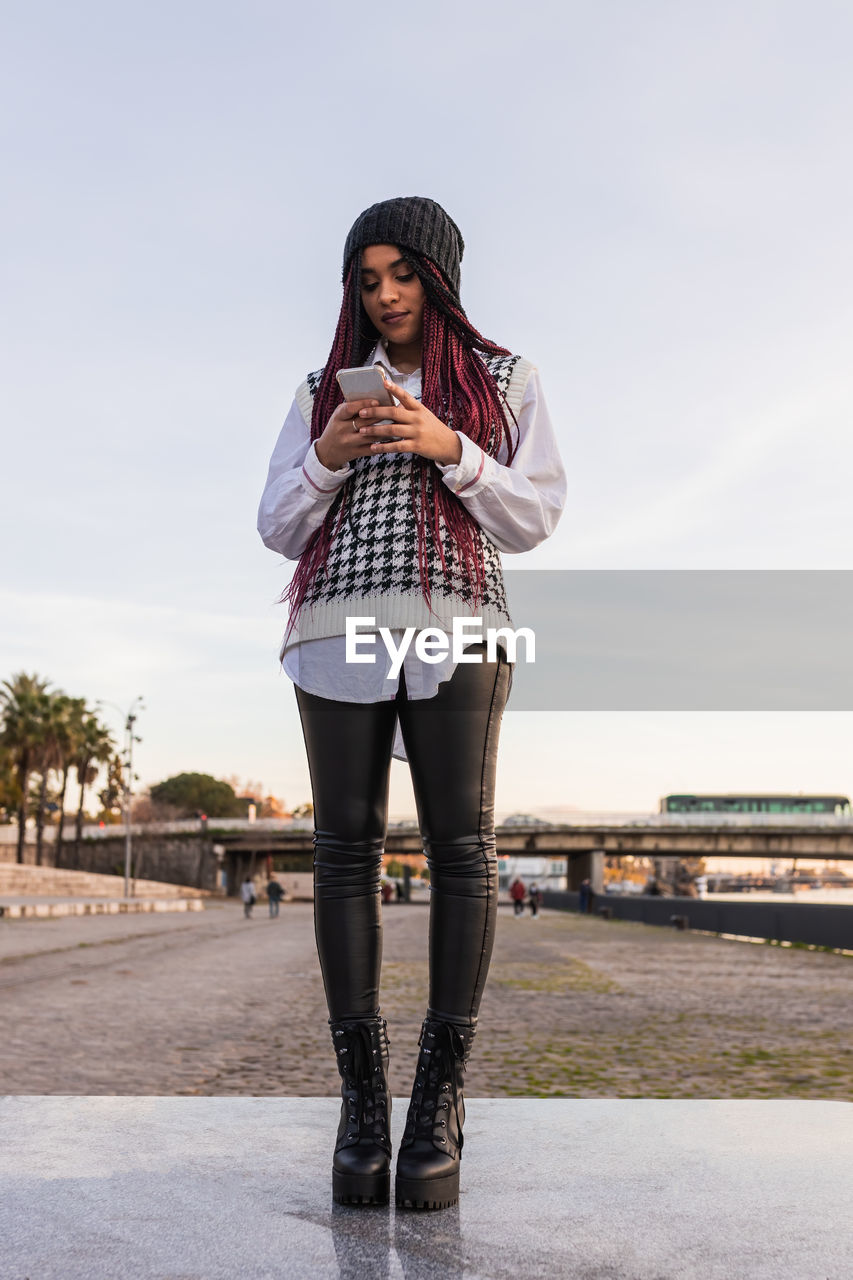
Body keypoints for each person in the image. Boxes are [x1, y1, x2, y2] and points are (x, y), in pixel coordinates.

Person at [258, 196, 566, 1210]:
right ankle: (361, 1104)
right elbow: (275, 525)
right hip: (337, 624)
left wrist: (449, 444)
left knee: (462, 848)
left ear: (439, 275)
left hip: (460, 618)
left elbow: (535, 514)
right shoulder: (318, 392)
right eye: (366, 277)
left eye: (402, 273)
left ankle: (438, 1098)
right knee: (343, 849)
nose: (384, 294)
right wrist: (328, 456)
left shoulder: (506, 378)